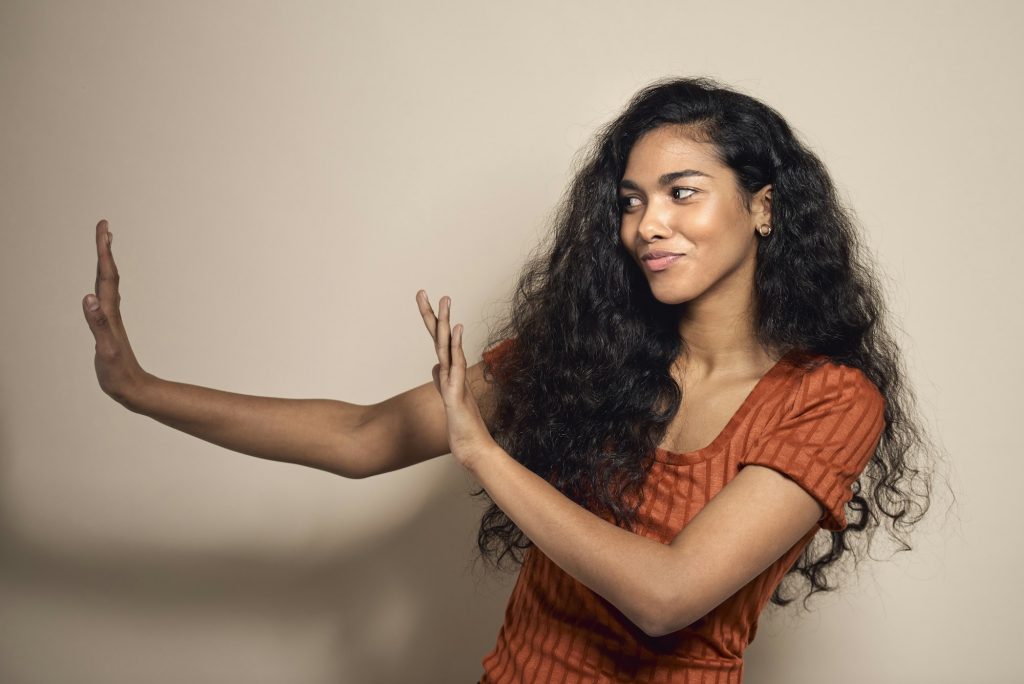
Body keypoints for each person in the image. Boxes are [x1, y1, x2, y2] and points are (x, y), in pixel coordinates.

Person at [83, 76, 934, 683]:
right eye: (631, 201)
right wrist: (142, 388)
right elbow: (360, 438)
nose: (649, 225)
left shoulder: (830, 399)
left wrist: (485, 455)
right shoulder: (582, 352)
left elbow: (668, 596)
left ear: (764, 206)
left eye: (682, 192)